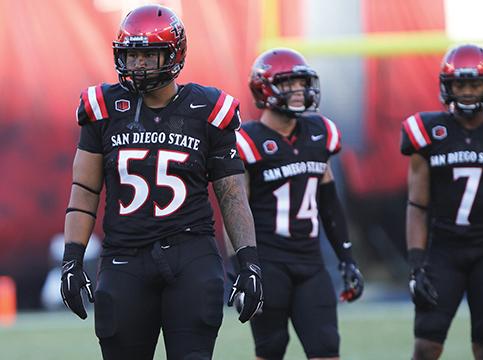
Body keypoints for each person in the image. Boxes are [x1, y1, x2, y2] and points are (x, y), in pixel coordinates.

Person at [59, 5, 263, 360]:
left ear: (173, 55)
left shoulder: (208, 109)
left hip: (192, 256)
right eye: (131, 54)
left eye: (148, 55)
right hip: (125, 258)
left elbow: (232, 195)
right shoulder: (103, 108)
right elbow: (84, 191)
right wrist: (71, 260)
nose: (137, 64)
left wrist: (249, 262)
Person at [230, 48, 364, 360]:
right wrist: (238, 268)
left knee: (327, 349)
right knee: (270, 350)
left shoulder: (320, 132)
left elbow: (329, 202)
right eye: (288, 84)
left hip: (311, 262)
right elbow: (235, 210)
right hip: (269, 263)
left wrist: (346, 257)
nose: (298, 91)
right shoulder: (247, 140)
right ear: (264, 89)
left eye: (302, 83)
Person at [401, 44, 483, 360]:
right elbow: (417, 204)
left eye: (475, 84)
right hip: (444, 249)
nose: (469, 91)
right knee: (426, 344)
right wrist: (417, 265)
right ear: (448, 86)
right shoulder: (429, 130)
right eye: (461, 84)